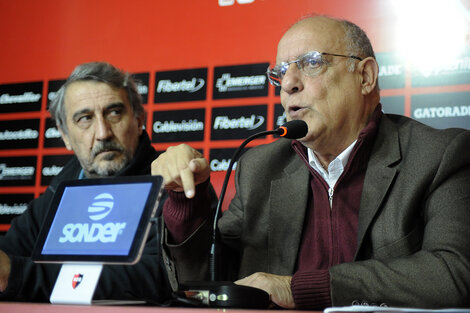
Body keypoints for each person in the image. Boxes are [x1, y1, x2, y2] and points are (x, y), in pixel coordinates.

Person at [151, 15, 470, 309]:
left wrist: (299, 288)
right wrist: (185, 202)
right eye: (280, 73)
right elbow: (212, 279)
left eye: (311, 63)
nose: (288, 84)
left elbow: (454, 273)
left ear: (365, 76)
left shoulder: (438, 155)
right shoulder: (260, 167)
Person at [0, 61, 172, 302]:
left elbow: (153, 279)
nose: (103, 132)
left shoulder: (173, 185)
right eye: (84, 118)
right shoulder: (56, 194)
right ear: (65, 136)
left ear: (139, 120)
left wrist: (18, 275)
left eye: (114, 113)